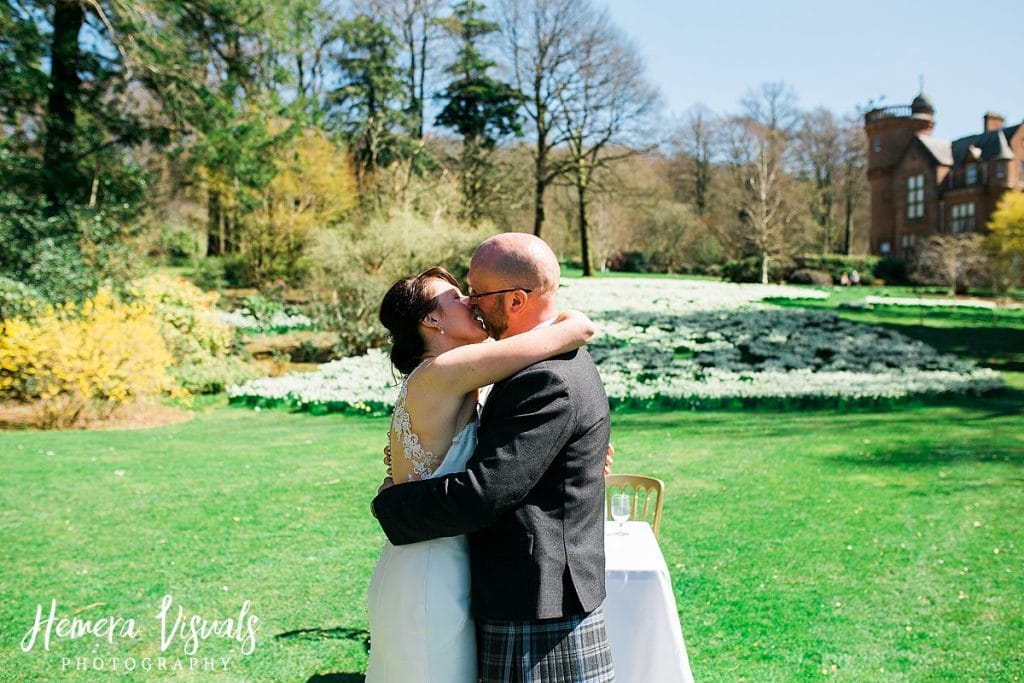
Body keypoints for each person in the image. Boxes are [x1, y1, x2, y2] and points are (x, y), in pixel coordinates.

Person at [371, 233, 615, 683]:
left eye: (476, 293)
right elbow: (570, 332)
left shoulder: (522, 375)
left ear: (517, 299)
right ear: (431, 320)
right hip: (439, 568)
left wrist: (390, 504)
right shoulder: (453, 371)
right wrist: (573, 323)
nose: (472, 302)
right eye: (462, 296)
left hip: (509, 586)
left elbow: (488, 485)